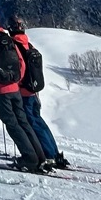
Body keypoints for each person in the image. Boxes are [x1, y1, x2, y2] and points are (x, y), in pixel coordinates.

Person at [0, 8, 51, 173]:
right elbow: (21, 63)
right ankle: (39, 157)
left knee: (12, 124)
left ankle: (29, 159)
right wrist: (15, 80)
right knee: (23, 122)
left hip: (0, 90)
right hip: (15, 89)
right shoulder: (7, 38)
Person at [9, 16, 68, 169]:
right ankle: (54, 152)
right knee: (39, 121)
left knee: (32, 123)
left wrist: (16, 83)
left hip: (23, 91)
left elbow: (21, 69)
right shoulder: (28, 43)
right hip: (33, 91)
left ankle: (48, 154)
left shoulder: (14, 45)